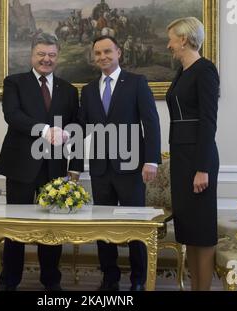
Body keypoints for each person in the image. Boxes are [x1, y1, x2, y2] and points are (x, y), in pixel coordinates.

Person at [0, 33, 83, 291]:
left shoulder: (68, 89)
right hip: (20, 165)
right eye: (41, 54)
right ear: (32, 55)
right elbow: (12, 115)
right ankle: (9, 281)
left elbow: (77, 123)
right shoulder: (14, 82)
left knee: (51, 229)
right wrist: (45, 130)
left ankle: (51, 281)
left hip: (55, 166)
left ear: (58, 56)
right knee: (17, 226)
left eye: (52, 55)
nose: (47, 59)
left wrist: (71, 144)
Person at [78, 36, 161, 291]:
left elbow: (151, 122)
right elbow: (83, 130)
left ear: (119, 53)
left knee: (133, 225)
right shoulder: (89, 89)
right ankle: (110, 278)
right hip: (100, 169)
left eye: (107, 51)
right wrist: (76, 163)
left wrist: (151, 160)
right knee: (104, 227)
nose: (102, 56)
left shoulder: (136, 83)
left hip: (131, 166)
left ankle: (138, 279)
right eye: (98, 53)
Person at [165, 17, 220, 291]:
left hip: (199, 159)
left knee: (202, 229)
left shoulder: (205, 70)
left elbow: (208, 122)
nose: (169, 45)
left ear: (184, 39)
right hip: (181, 158)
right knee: (188, 227)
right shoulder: (183, 71)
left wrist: (203, 167)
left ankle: (204, 289)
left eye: (172, 39)